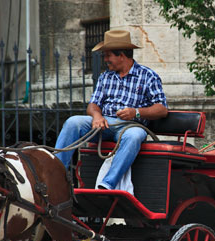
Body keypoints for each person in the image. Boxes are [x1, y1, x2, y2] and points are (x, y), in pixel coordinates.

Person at [55, 29, 168, 190]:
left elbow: (162, 109)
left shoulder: (148, 76)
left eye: (108, 55)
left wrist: (136, 112)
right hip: (105, 124)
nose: (105, 59)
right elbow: (93, 105)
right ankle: (54, 172)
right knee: (73, 122)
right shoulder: (105, 77)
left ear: (121, 55)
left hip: (131, 126)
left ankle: (107, 184)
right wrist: (96, 116)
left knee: (135, 136)